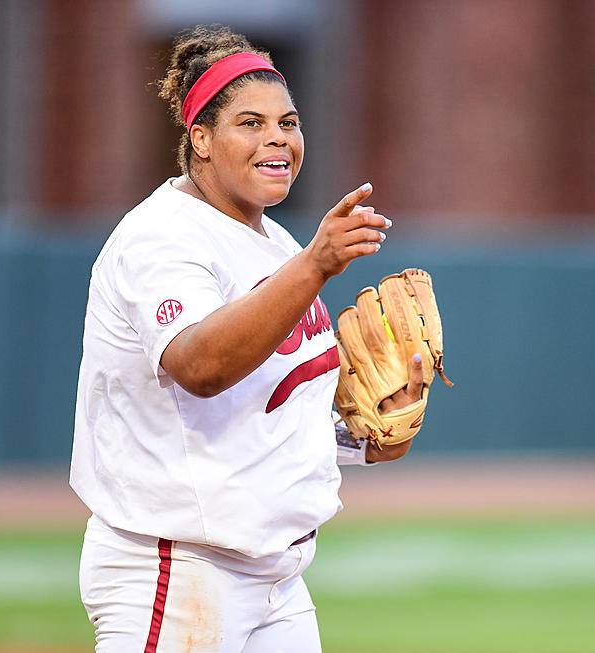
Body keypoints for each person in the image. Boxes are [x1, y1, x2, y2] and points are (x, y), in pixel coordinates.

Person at [69, 24, 422, 653]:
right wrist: (315, 266)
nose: (277, 138)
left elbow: (268, 408)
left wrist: (364, 436)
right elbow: (199, 366)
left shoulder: (275, 243)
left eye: (288, 122)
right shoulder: (164, 237)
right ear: (200, 139)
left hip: (275, 580)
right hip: (179, 572)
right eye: (250, 123)